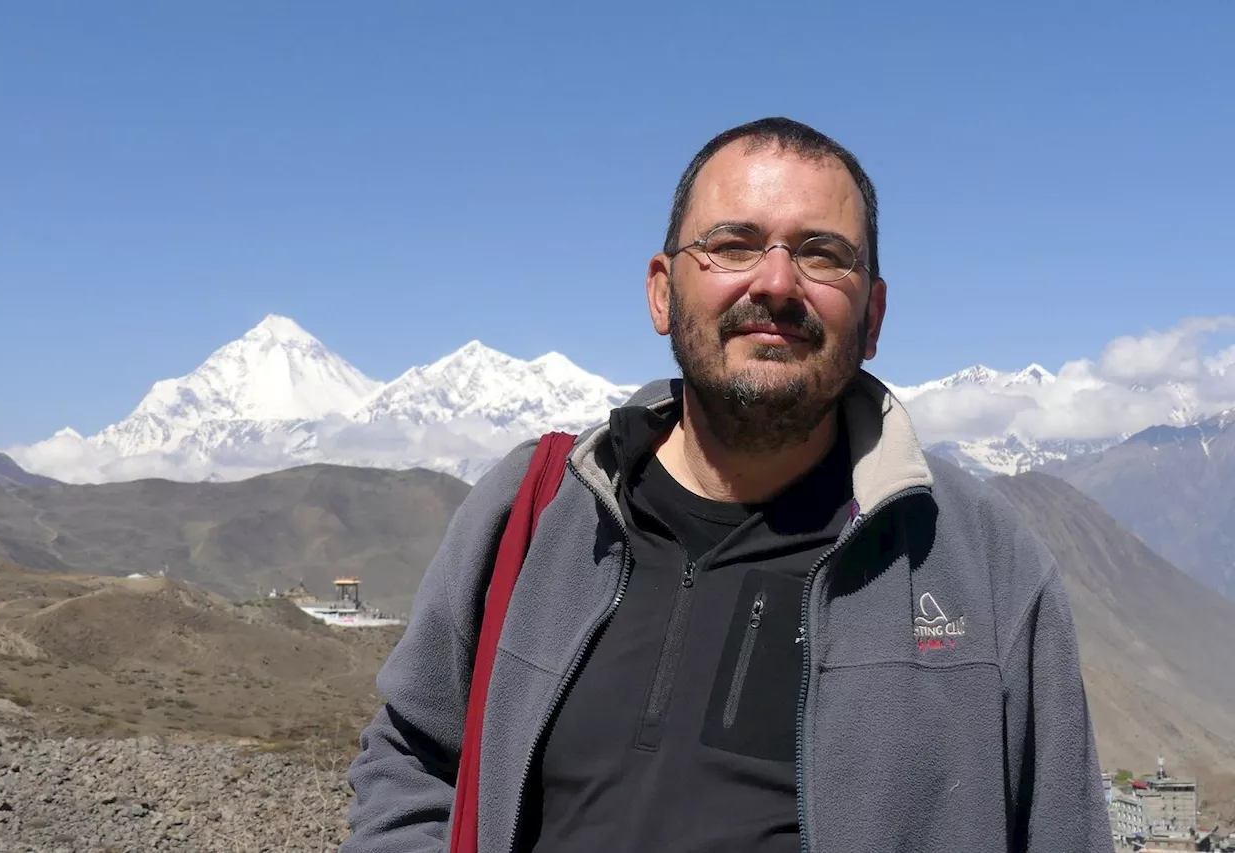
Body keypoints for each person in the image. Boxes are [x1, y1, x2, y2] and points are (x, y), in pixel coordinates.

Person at [341, 117, 1114, 853]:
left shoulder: (981, 561)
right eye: (732, 244)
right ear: (662, 291)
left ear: (873, 315)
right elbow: (411, 756)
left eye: (822, 253)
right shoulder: (533, 509)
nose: (776, 282)